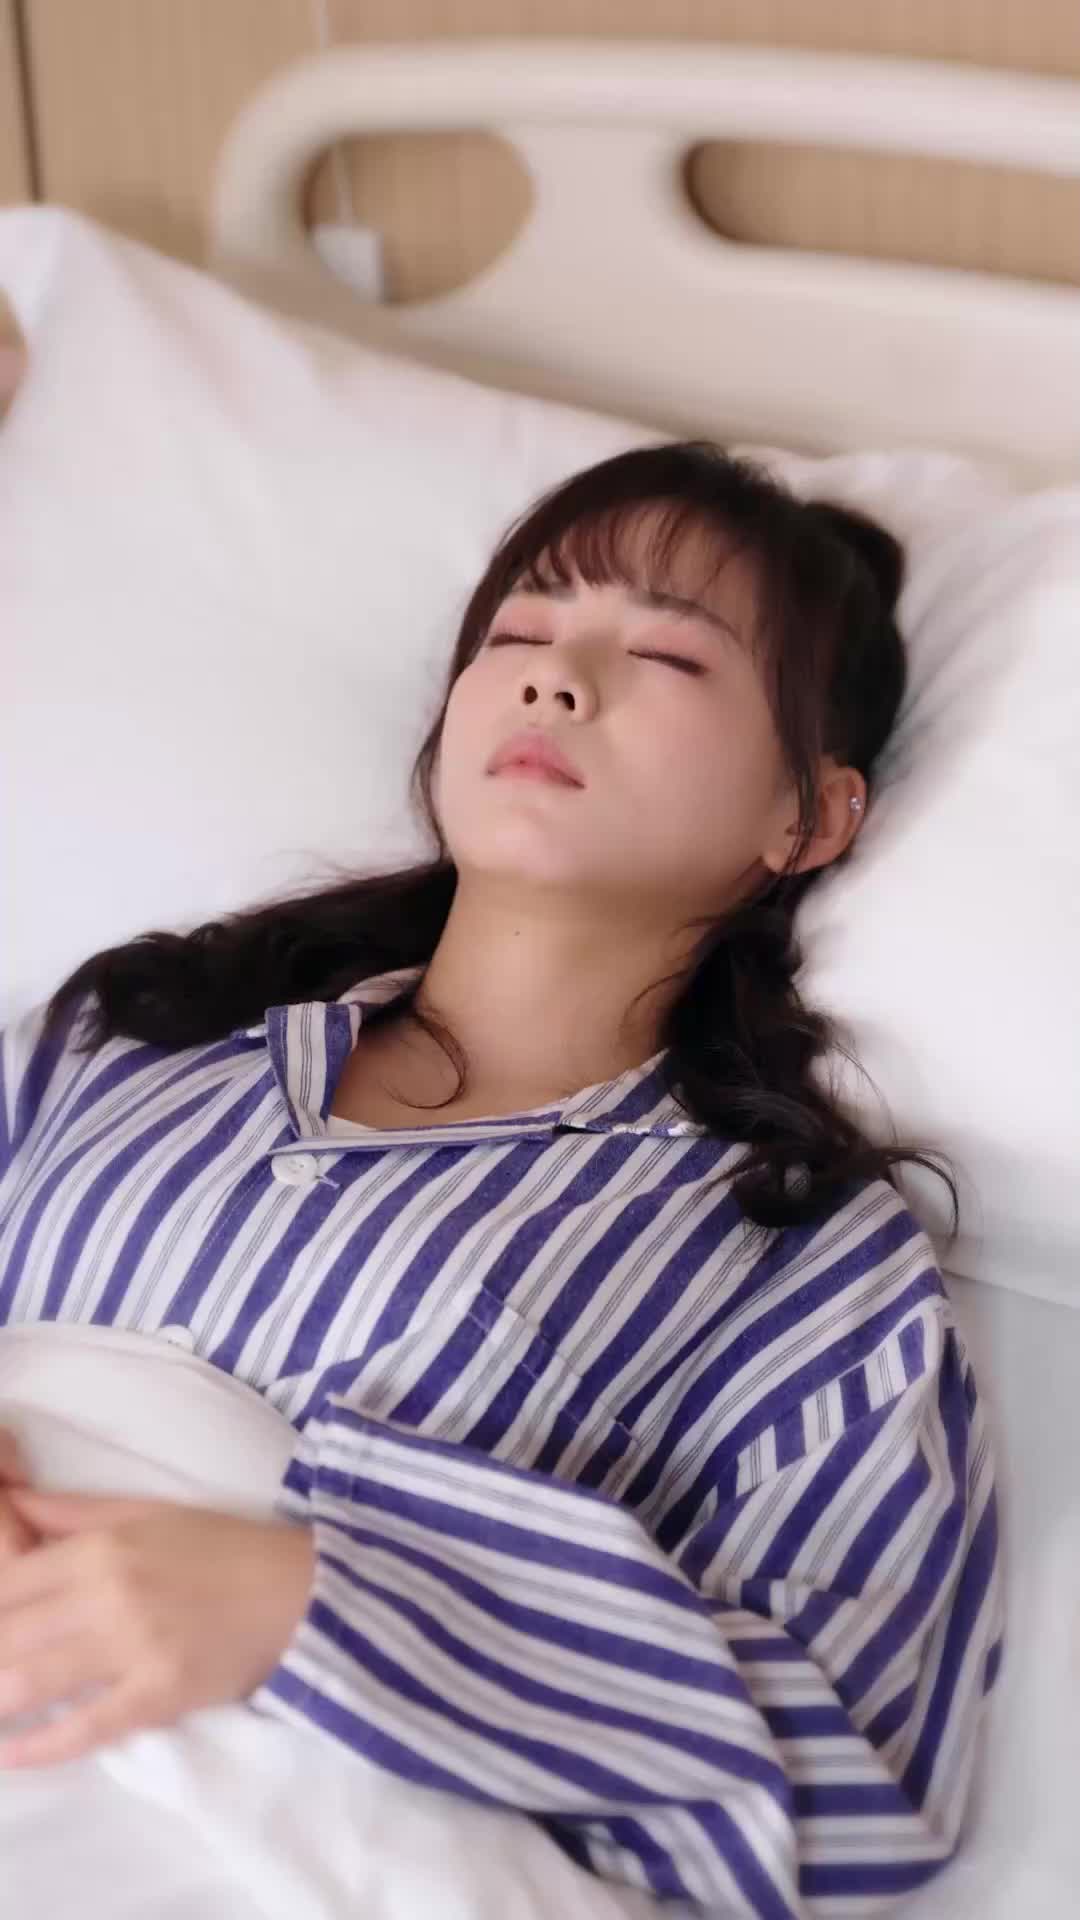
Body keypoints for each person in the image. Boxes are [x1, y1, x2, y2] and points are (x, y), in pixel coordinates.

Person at [0, 442, 1000, 1917]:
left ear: (808, 817)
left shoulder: (795, 1257)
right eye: (520, 634)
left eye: (668, 656)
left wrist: (319, 1605)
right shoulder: (133, 1034)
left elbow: (865, 1780)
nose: (555, 681)